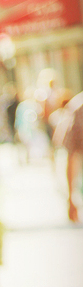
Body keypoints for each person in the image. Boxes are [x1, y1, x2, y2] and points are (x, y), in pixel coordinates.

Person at [53, 90, 83, 223]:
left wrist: (71, 199)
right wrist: (71, 198)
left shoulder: (77, 106)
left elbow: (71, 157)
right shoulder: (78, 108)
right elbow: (71, 156)